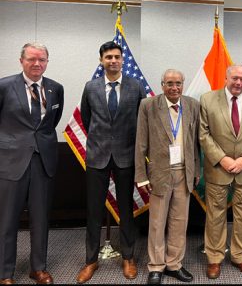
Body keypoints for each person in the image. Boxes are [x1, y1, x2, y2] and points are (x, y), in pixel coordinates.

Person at [76, 41, 146, 284]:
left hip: (126, 156)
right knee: (94, 210)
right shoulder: (91, 87)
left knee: (127, 209)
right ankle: (91, 260)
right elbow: (86, 118)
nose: (113, 61)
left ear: (122, 59)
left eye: (117, 57)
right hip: (98, 156)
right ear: (101, 60)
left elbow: (142, 120)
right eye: (108, 57)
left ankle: (128, 257)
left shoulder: (135, 86)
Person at [0, 43, 64, 285]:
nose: (37, 64)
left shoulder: (56, 89)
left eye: (42, 59)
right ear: (21, 61)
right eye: (31, 59)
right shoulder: (4, 86)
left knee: (40, 218)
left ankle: (38, 268)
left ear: (47, 61)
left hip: (43, 162)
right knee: (7, 220)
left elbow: (51, 122)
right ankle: (5, 272)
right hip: (11, 162)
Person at [199, 64, 242, 279]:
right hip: (218, 168)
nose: (239, 83)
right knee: (215, 216)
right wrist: (223, 159)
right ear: (226, 78)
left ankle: (240, 257)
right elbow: (203, 133)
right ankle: (214, 258)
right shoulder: (208, 99)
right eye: (235, 78)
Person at [135, 69, 200, 285]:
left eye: (178, 83)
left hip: (184, 172)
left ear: (183, 84)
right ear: (162, 85)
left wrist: (196, 171)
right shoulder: (149, 105)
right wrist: (142, 176)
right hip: (159, 174)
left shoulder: (192, 105)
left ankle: (174, 264)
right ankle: (156, 266)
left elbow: (196, 143)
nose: (174, 88)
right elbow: (141, 143)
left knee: (179, 222)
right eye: (169, 83)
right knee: (157, 222)